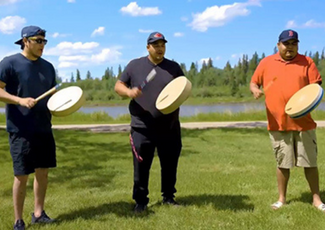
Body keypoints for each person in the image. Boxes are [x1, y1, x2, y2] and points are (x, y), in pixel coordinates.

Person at [250, 29, 325, 211]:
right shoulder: (267, 62)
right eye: (286, 44)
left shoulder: (307, 62)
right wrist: (255, 90)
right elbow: (254, 82)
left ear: (297, 45)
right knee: (283, 164)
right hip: (278, 124)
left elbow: (315, 87)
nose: (290, 47)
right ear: (278, 45)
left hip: (304, 124)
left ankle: (317, 200)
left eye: (293, 43)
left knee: (310, 163)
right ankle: (281, 199)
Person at [114, 32, 184, 213]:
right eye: (156, 45)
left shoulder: (173, 68)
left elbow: (182, 88)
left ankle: (168, 197)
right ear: (148, 47)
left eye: (162, 45)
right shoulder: (135, 65)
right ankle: (141, 201)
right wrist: (129, 92)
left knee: (169, 165)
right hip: (142, 127)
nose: (160, 48)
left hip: (169, 126)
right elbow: (118, 86)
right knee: (141, 166)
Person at [0, 26, 57, 230]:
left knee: (42, 172)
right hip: (20, 129)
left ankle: (38, 213)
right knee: (21, 175)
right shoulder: (10, 63)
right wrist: (19, 100)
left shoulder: (48, 67)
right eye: (38, 40)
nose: (42, 45)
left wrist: (61, 106)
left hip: (44, 127)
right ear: (25, 40)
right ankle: (18, 220)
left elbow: (52, 97)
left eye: (44, 41)